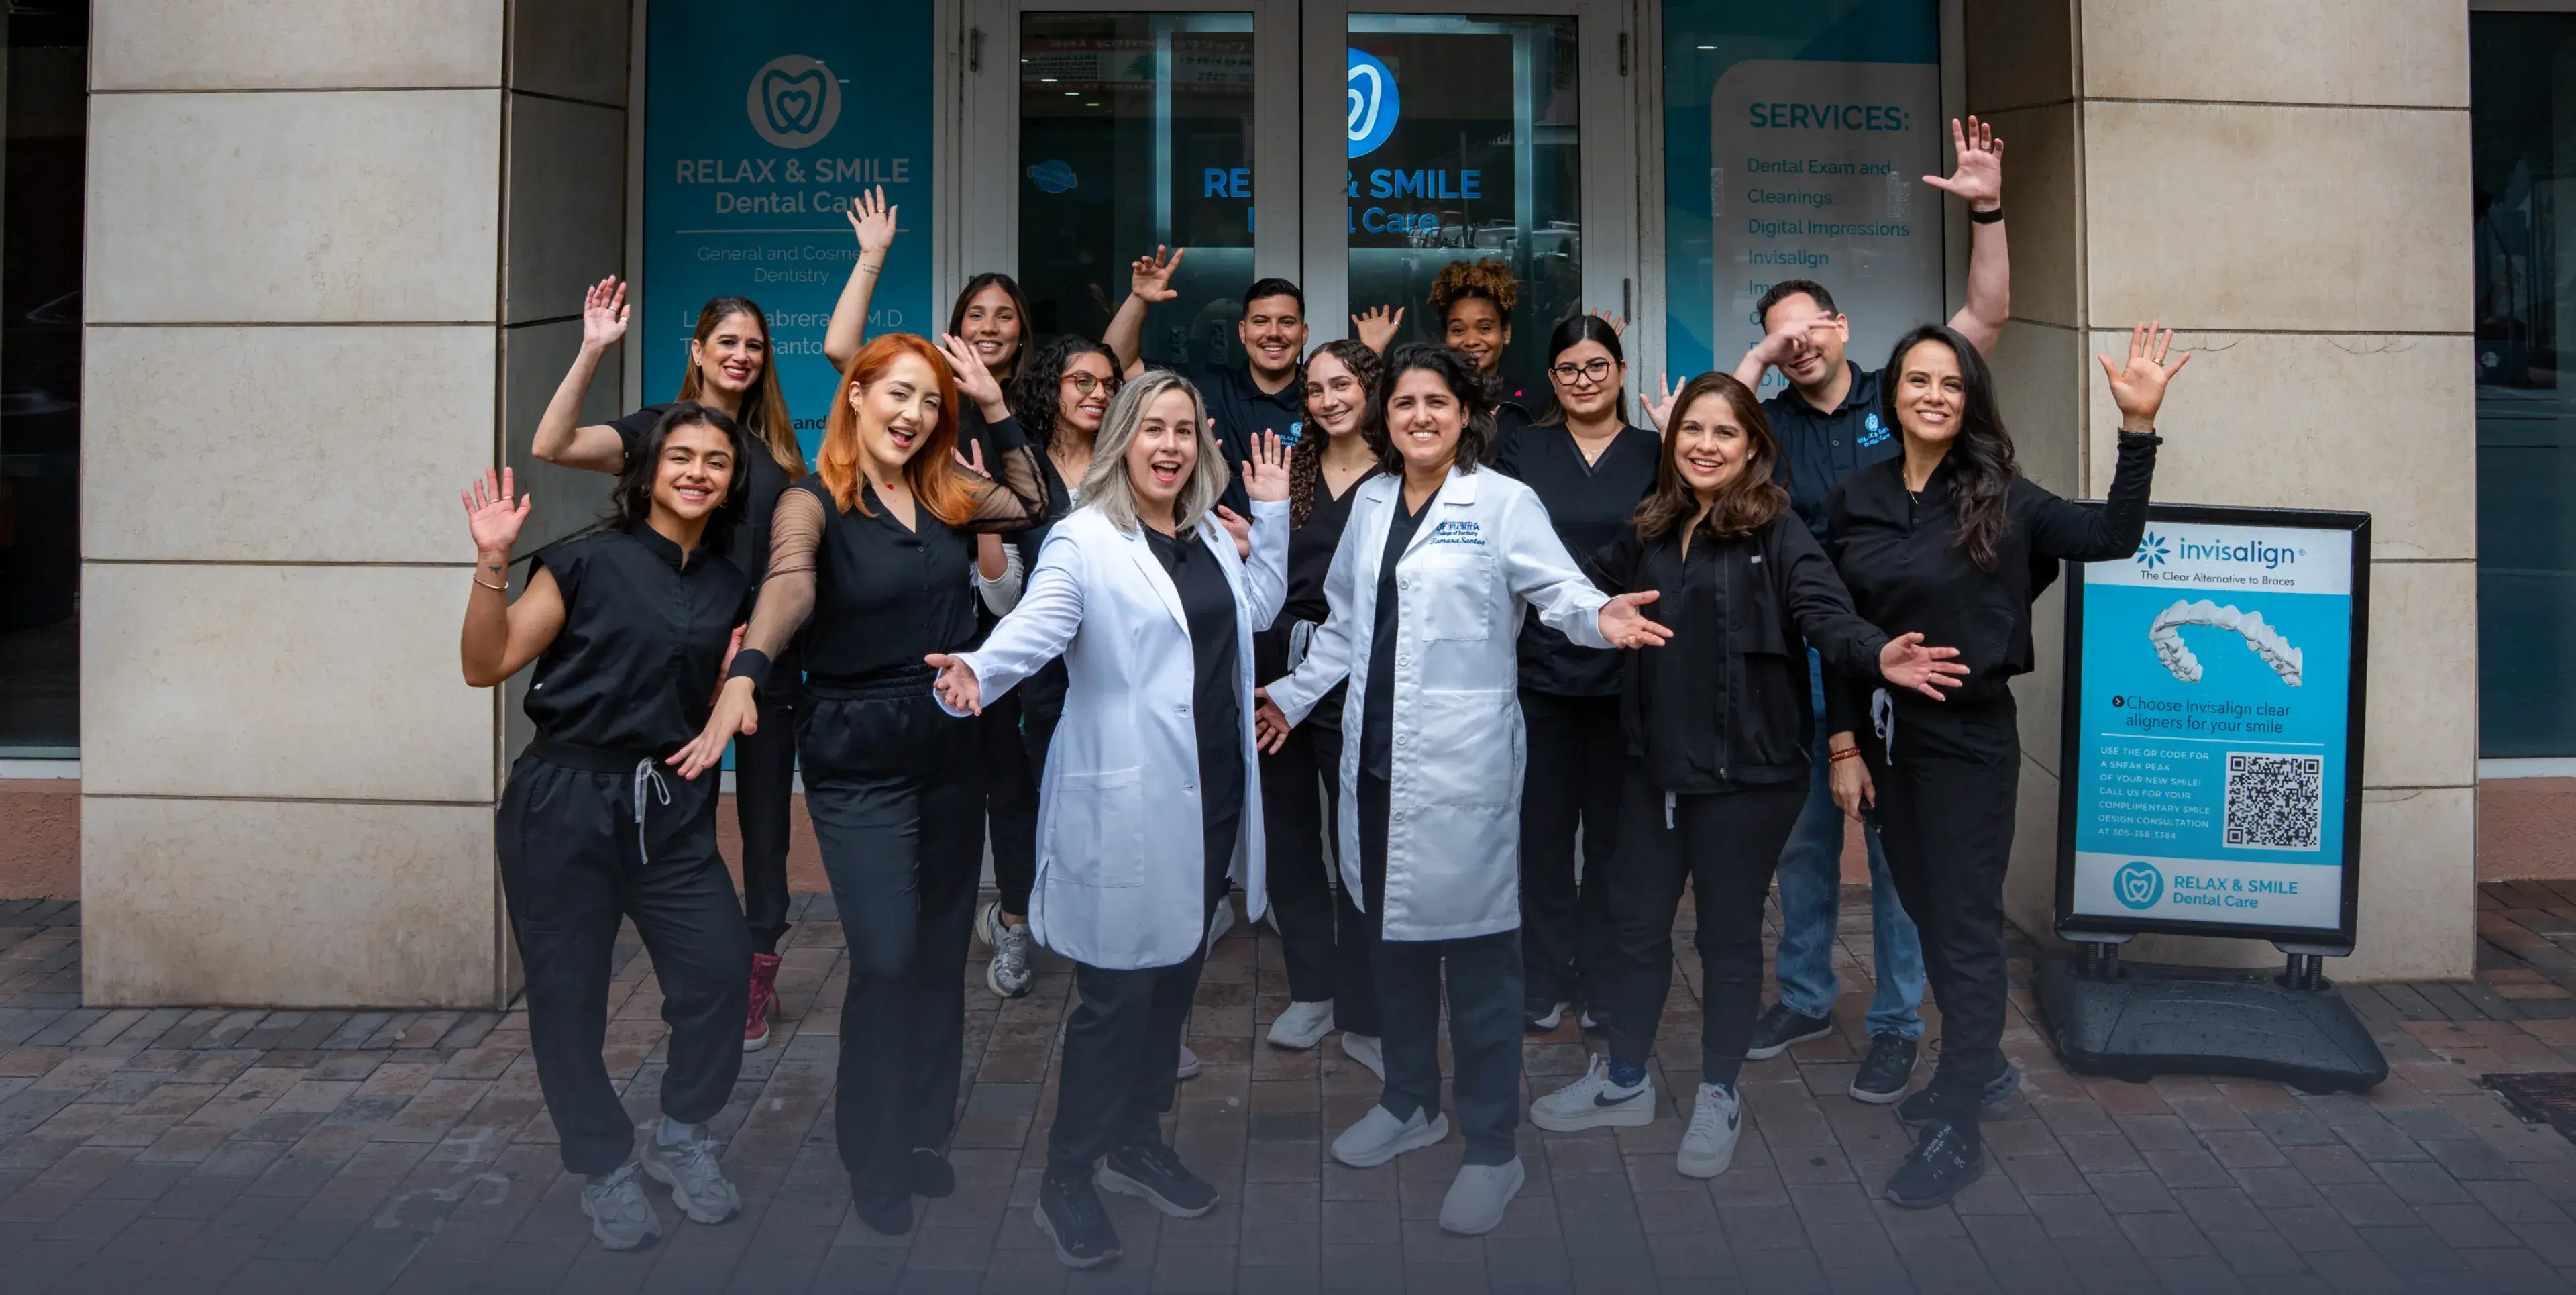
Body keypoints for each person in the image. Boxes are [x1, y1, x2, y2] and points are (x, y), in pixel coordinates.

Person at [1254, 344, 1672, 1237]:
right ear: (1385, 416)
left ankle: (1493, 1147)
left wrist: (1600, 615)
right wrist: (1287, 697)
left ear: (1465, 411)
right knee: (1391, 948)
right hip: (1376, 765)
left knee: (1482, 966)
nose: (1420, 417)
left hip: (1462, 766)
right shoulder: (1368, 501)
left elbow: (1557, 589)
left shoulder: (1503, 502)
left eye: (1436, 402)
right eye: (1404, 403)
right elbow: (1340, 630)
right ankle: (1411, 1102)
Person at [1524, 374, 1964, 1182]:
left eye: (1725, 433)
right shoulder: (1654, 524)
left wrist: (1877, 653)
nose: (1704, 446)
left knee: (1725, 941)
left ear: (1754, 447)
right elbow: (1571, 583)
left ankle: (1718, 1092)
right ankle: (1625, 1080)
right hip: (1653, 769)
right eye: (1692, 431)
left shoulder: (1777, 528)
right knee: (1633, 929)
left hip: (1746, 779)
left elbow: (1825, 613)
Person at [671, 333, 1042, 1237]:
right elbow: (790, 585)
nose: (912, 415)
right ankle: (869, 1149)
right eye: (898, 395)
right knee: (883, 957)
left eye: (928, 403)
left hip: (951, 742)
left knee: (940, 956)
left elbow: (1034, 502)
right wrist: (748, 669)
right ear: (858, 395)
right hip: (857, 754)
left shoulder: (951, 494)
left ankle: (918, 1135)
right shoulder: (812, 501)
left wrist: (994, 404)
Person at [926, 375, 1292, 1270]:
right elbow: (1042, 623)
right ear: (1122, 439)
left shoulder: (1207, 530)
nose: (1168, 445)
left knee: (1172, 986)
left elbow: (1257, 613)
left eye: (1183, 431)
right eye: (1152, 429)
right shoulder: (1083, 539)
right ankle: (1066, 1173)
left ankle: (1135, 1140)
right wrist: (982, 666)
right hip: (1128, 804)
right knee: (1116, 999)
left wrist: (1272, 516)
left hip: (1209, 797)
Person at [1827, 321, 2186, 1208]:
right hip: (1884, 735)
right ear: (1894, 394)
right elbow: (1835, 632)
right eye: (1917, 380)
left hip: (1969, 742)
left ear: (1970, 399)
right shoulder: (1856, 497)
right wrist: (1844, 742)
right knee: (1924, 909)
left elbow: (2112, 535)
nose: (1934, 395)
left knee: (1964, 925)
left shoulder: (2004, 498)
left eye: (1951, 383)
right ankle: (1975, 1069)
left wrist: (2136, 430)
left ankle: (1960, 1117)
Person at [1723, 116, 2012, 1103]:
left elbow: (1988, 312)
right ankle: (1805, 994)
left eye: (1809, 328)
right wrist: (1760, 358)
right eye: (1780, 334)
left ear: (1843, 326)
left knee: (1895, 847)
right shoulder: (1765, 423)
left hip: (1899, 659)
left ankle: (1895, 1018)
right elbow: (1709, 422)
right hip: (1801, 656)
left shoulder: (1907, 389)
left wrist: (1988, 207)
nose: (1798, 345)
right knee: (1804, 838)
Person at [459, 406, 755, 1252]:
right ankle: (605, 1165)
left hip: (670, 806)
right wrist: (491, 562)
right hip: (563, 801)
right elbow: (486, 664)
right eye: (682, 457)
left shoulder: (733, 584)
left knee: (721, 973)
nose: (698, 472)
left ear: (732, 481)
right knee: (568, 1002)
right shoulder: (584, 561)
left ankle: (682, 1132)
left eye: (717, 462)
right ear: (650, 471)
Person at [529, 282, 806, 1053]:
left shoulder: (779, 454)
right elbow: (552, 445)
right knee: (684, 814)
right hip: (683, 667)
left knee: (766, 826)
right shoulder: (663, 430)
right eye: (728, 342)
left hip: (765, 664)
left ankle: (756, 967)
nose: (742, 356)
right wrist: (591, 348)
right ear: (698, 349)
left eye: (755, 345)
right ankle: (697, 962)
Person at [817, 196, 1050, 1011]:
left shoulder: (1016, 404)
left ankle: (1010, 919)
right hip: (907, 649)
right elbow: (846, 352)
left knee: (1003, 789)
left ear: (1021, 332)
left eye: (1004, 316)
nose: (989, 325)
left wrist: (993, 402)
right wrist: (872, 255)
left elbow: (1034, 500)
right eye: (976, 313)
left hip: (999, 634)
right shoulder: (919, 390)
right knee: (896, 929)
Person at [1490, 314, 1661, 1035]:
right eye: (1568, 369)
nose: (1584, 380)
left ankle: (1603, 978)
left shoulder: (1658, 452)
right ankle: (1544, 978)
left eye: (1597, 366)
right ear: (1552, 379)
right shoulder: (1523, 446)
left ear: (1621, 373)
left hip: (1631, 678)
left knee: (1618, 843)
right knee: (1544, 836)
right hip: (1543, 678)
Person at [971, 334, 1124, 1000]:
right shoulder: (1019, 465)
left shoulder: (1130, 465)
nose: (1096, 393)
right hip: (1029, 667)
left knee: (1105, 801)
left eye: (1107, 383)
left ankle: (1106, 932)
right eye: (1080, 381)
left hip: (1113, 667)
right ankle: (1013, 922)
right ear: (1051, 389)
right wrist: (982, 523)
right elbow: (1005, 599)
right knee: (1015, 797)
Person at [1255, 339, 1388, 1071]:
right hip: (1278, 670)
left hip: (1357, 674)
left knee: (1362, 844)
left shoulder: (1399, 472)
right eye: (1314, 389)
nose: (1328, 399)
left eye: (1342, 384)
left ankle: (1367, 1011)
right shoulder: (1293, 469)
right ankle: (1313, 990)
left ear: (1370, 386)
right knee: (1289, 835)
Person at [1104, 247, 1305, 511]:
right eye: (1261, 321)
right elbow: (1117, 366)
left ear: (1304, 333)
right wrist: (1139, 299)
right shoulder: (1204, 387)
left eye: (1287, 322)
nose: (1274, 333)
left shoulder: (1322, 402)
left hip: (1297, 551)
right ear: (1243, 332)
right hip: (1210, 547)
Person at [1428, 257, 1537, 441]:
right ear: (1445, 337)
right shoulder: (1429, 400)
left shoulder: (1530, 405)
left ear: (1506, 333)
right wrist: (1374, 349)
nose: (1471, 341)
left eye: (1484, 328)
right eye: (1458, 330)